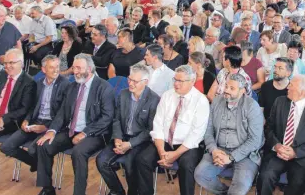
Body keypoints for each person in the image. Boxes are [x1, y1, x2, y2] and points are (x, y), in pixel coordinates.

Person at [35, 54, 115, 195]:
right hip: (71, 130)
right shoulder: (72, 86)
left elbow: (106, 118)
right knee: (44, 145)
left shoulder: (104, 87)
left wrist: (85, 133)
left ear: (89, 69)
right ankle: (47, 189)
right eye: (74, 67)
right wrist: (52, 130)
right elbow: (62, 113)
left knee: (78, 152)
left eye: (78, 68)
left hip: (95, 133)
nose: (75, 71)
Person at [135, 65, 210, 195]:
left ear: (192, 81)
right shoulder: (167, 96)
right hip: (164, 143)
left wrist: (175, 155)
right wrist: (161, 151)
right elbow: (157, 124)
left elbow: (196, 135)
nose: (176, 84)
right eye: (175, 79)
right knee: (142, 160)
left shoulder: (201, 101)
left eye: (180, 81)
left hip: (187, 146)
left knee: (186, 166)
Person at [96, 63, 160, 195]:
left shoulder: (154, 100)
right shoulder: (123, 94)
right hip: (122, 136)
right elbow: (116, 119)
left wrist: (130, 144)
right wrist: (118, 138)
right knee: (101, 161)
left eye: (135, 81)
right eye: (129, 79)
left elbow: (150, 130)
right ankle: (117, 191)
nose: (130, 83)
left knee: (130, 163)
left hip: (140, 141)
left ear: (145, 82)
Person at [195, 73, 264, 195]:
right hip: (219, 150)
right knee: (201, 175)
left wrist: (231, 157)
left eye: (232, 88)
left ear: (242, 91)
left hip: (245, 154)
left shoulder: (252, 106)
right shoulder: (216, 101)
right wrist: (213, 150)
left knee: (239, 188)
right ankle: (225, 192)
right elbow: (208, 130)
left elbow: (254, 140)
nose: (226, 90)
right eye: (226, 86)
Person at [257, 75, 305, 195]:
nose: (287, 87)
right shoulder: (280, 102)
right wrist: (277, 145)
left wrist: (295, 152)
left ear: (302, 92)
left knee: (298, 183)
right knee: (265, 176)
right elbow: (269, 128)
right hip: (278, 152)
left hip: (301, 156)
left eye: (291, 85)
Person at [0, 55, 68, 172]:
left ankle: (42, 170)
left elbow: (63, 114)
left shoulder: (65, 84)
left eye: (57, 66)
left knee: (33, 150)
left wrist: (46, 127)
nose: (56, 70)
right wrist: (26, 120)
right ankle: (35, 163)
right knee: (6, 147)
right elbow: (32, 106)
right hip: (34, 122)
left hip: (51, 124)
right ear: (43, 70)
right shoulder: (38, 83)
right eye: (52, 67)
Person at [0, 49, 36, 140]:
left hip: (11, 118)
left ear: (21, 64)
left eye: (11, 63)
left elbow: (24, 109)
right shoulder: (2, 74)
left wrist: (4, 119)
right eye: (6, 63)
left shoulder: (29, 82)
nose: (7, 66)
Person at [0, 5, 22, 85]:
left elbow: (18, 45)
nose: (4, 18)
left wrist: (19, 60)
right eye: (1, 16)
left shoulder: (10, 27)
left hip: (9, 63)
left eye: (5, 16)